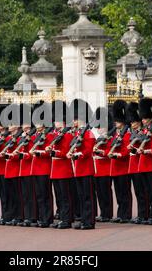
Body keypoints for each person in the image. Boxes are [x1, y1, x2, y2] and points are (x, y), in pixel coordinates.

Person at [68, 99, 97, 230]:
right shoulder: (78, 133)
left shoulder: (89, 132)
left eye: (75, 119)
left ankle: (89, 221)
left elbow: (89, 149)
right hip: (78, 169)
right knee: (81, 196)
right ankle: (84, 219)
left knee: (87, 196)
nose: (74, 122)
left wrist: (78, 154)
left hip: (87, 168)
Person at [46, 100, 75, 229]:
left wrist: (54, 152)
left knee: (65, 196)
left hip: (64, 169)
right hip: (55, 170)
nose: (54, 123)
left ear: (63, 122)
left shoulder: (68, 135)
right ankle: (62, 217)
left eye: (56, 121)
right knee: (59, 197)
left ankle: (67, 219)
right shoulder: (55, 135)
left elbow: (66, 152)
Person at [30, 102, 55, 228]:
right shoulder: (35, 135)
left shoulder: (49, 135)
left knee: (45, 195)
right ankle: (41, 217)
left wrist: (38, 152)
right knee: (39, 195)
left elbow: (48, 152)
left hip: (44, 168)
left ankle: (48, 218)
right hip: (35, 169)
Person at [137, 98, 152, 225]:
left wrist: (147, 151)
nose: (143, 120)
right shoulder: (144, 131)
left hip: (151, 164)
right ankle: (149, 214)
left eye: (145, 118)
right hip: (142, 165)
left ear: (151, 118)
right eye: (142, 118)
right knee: (146, 191)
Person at [108, 100, 132, 223]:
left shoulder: (127, 135)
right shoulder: (115, 135)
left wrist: (117, 155)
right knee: (118, 194)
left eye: (117, 121)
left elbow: (126, 151)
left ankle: (126, 214)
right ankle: (120, 213)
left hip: (123, 167)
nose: (115, 122)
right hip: (115, 169)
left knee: (124, 193)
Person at [15, 104, 38, 227]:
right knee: (25, 195)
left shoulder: (33, 137)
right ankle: (27, 216)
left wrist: (23, 154)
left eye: (27, 127)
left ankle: (33, 216)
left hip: (30, 169)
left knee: (32, 195)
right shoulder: (21, 137)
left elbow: (31, 154)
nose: (25, 129)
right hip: (22, 169)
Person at [2, 104, 25, 226]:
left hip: (16, 169)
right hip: (8, 170)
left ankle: (19, 216)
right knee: (10, 195)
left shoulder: (20, 137)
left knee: (18, 195)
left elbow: (19, 153)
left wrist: (11, 156)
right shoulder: (7, 138)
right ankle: (11, 215)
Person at [126, 102, 149, 224]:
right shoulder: (133, 133)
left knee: (143, 192)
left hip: (141, 165)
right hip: (133, 166)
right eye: (131, 122)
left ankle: (145, 214)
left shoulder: (144, 133)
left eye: (134, 121)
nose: (132, 124)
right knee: (138, 192)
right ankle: (141, 214)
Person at [93, 107, 114, 223]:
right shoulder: (98, 137)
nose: (99, 129)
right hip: (97, 169)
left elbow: (110, 151)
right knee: (99, 193)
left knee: (106, 192)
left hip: (105, 168)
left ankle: (108, 213)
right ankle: (103, 213)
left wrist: (101, 152)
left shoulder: (109, 137)